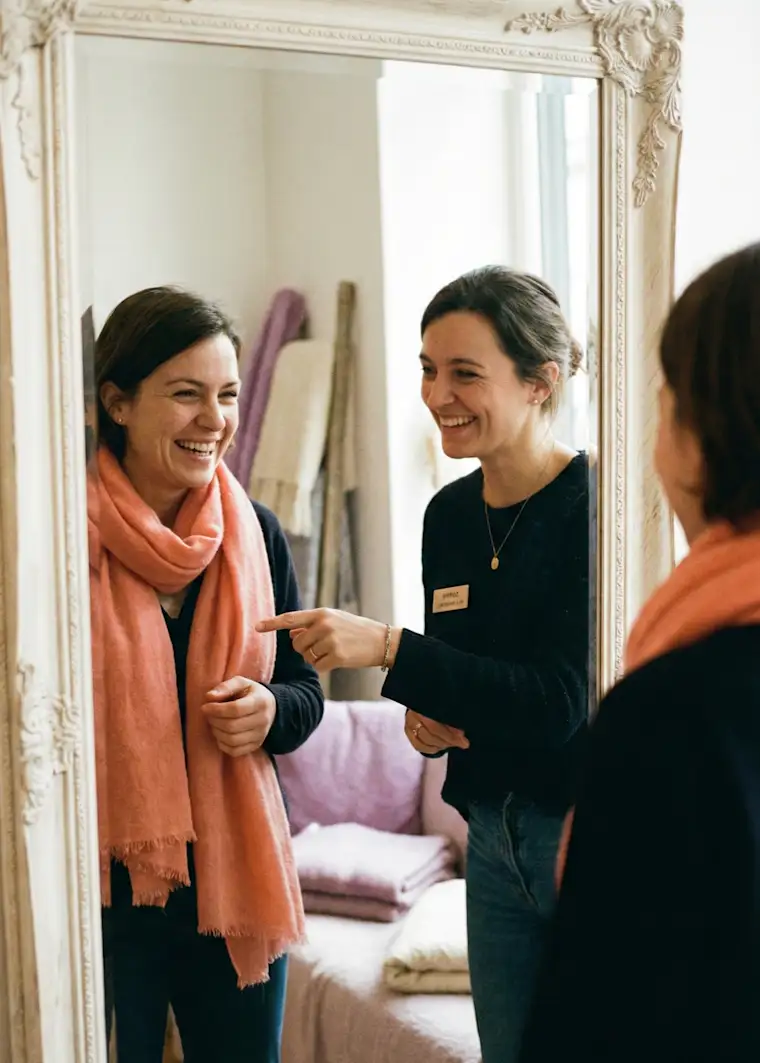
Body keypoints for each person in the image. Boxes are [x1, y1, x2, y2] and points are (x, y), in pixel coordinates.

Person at [259, 266, 593, 1063]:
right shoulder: (448, 516)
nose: (437, 392)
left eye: (465, 373)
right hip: (486, 834)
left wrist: (386, 649)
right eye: (428, 368)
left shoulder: (594, 507)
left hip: (580, 835)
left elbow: (557, 702)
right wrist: (423, 723)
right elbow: (459, 673)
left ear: (541, 382)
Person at [518, 243, 760, 1063]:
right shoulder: (449, 514)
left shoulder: (676, 712)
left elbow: (597, 1019)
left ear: (701, 440)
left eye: (666, 405)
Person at [89, 286, 324, 1063]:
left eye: (225, 394)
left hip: (235, 880)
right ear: (118, 403)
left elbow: (303, 689)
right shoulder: (59, 532)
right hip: (106, 891)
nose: (215, 419)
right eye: (186, 394)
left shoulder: (253, 531)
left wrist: (270, 707)